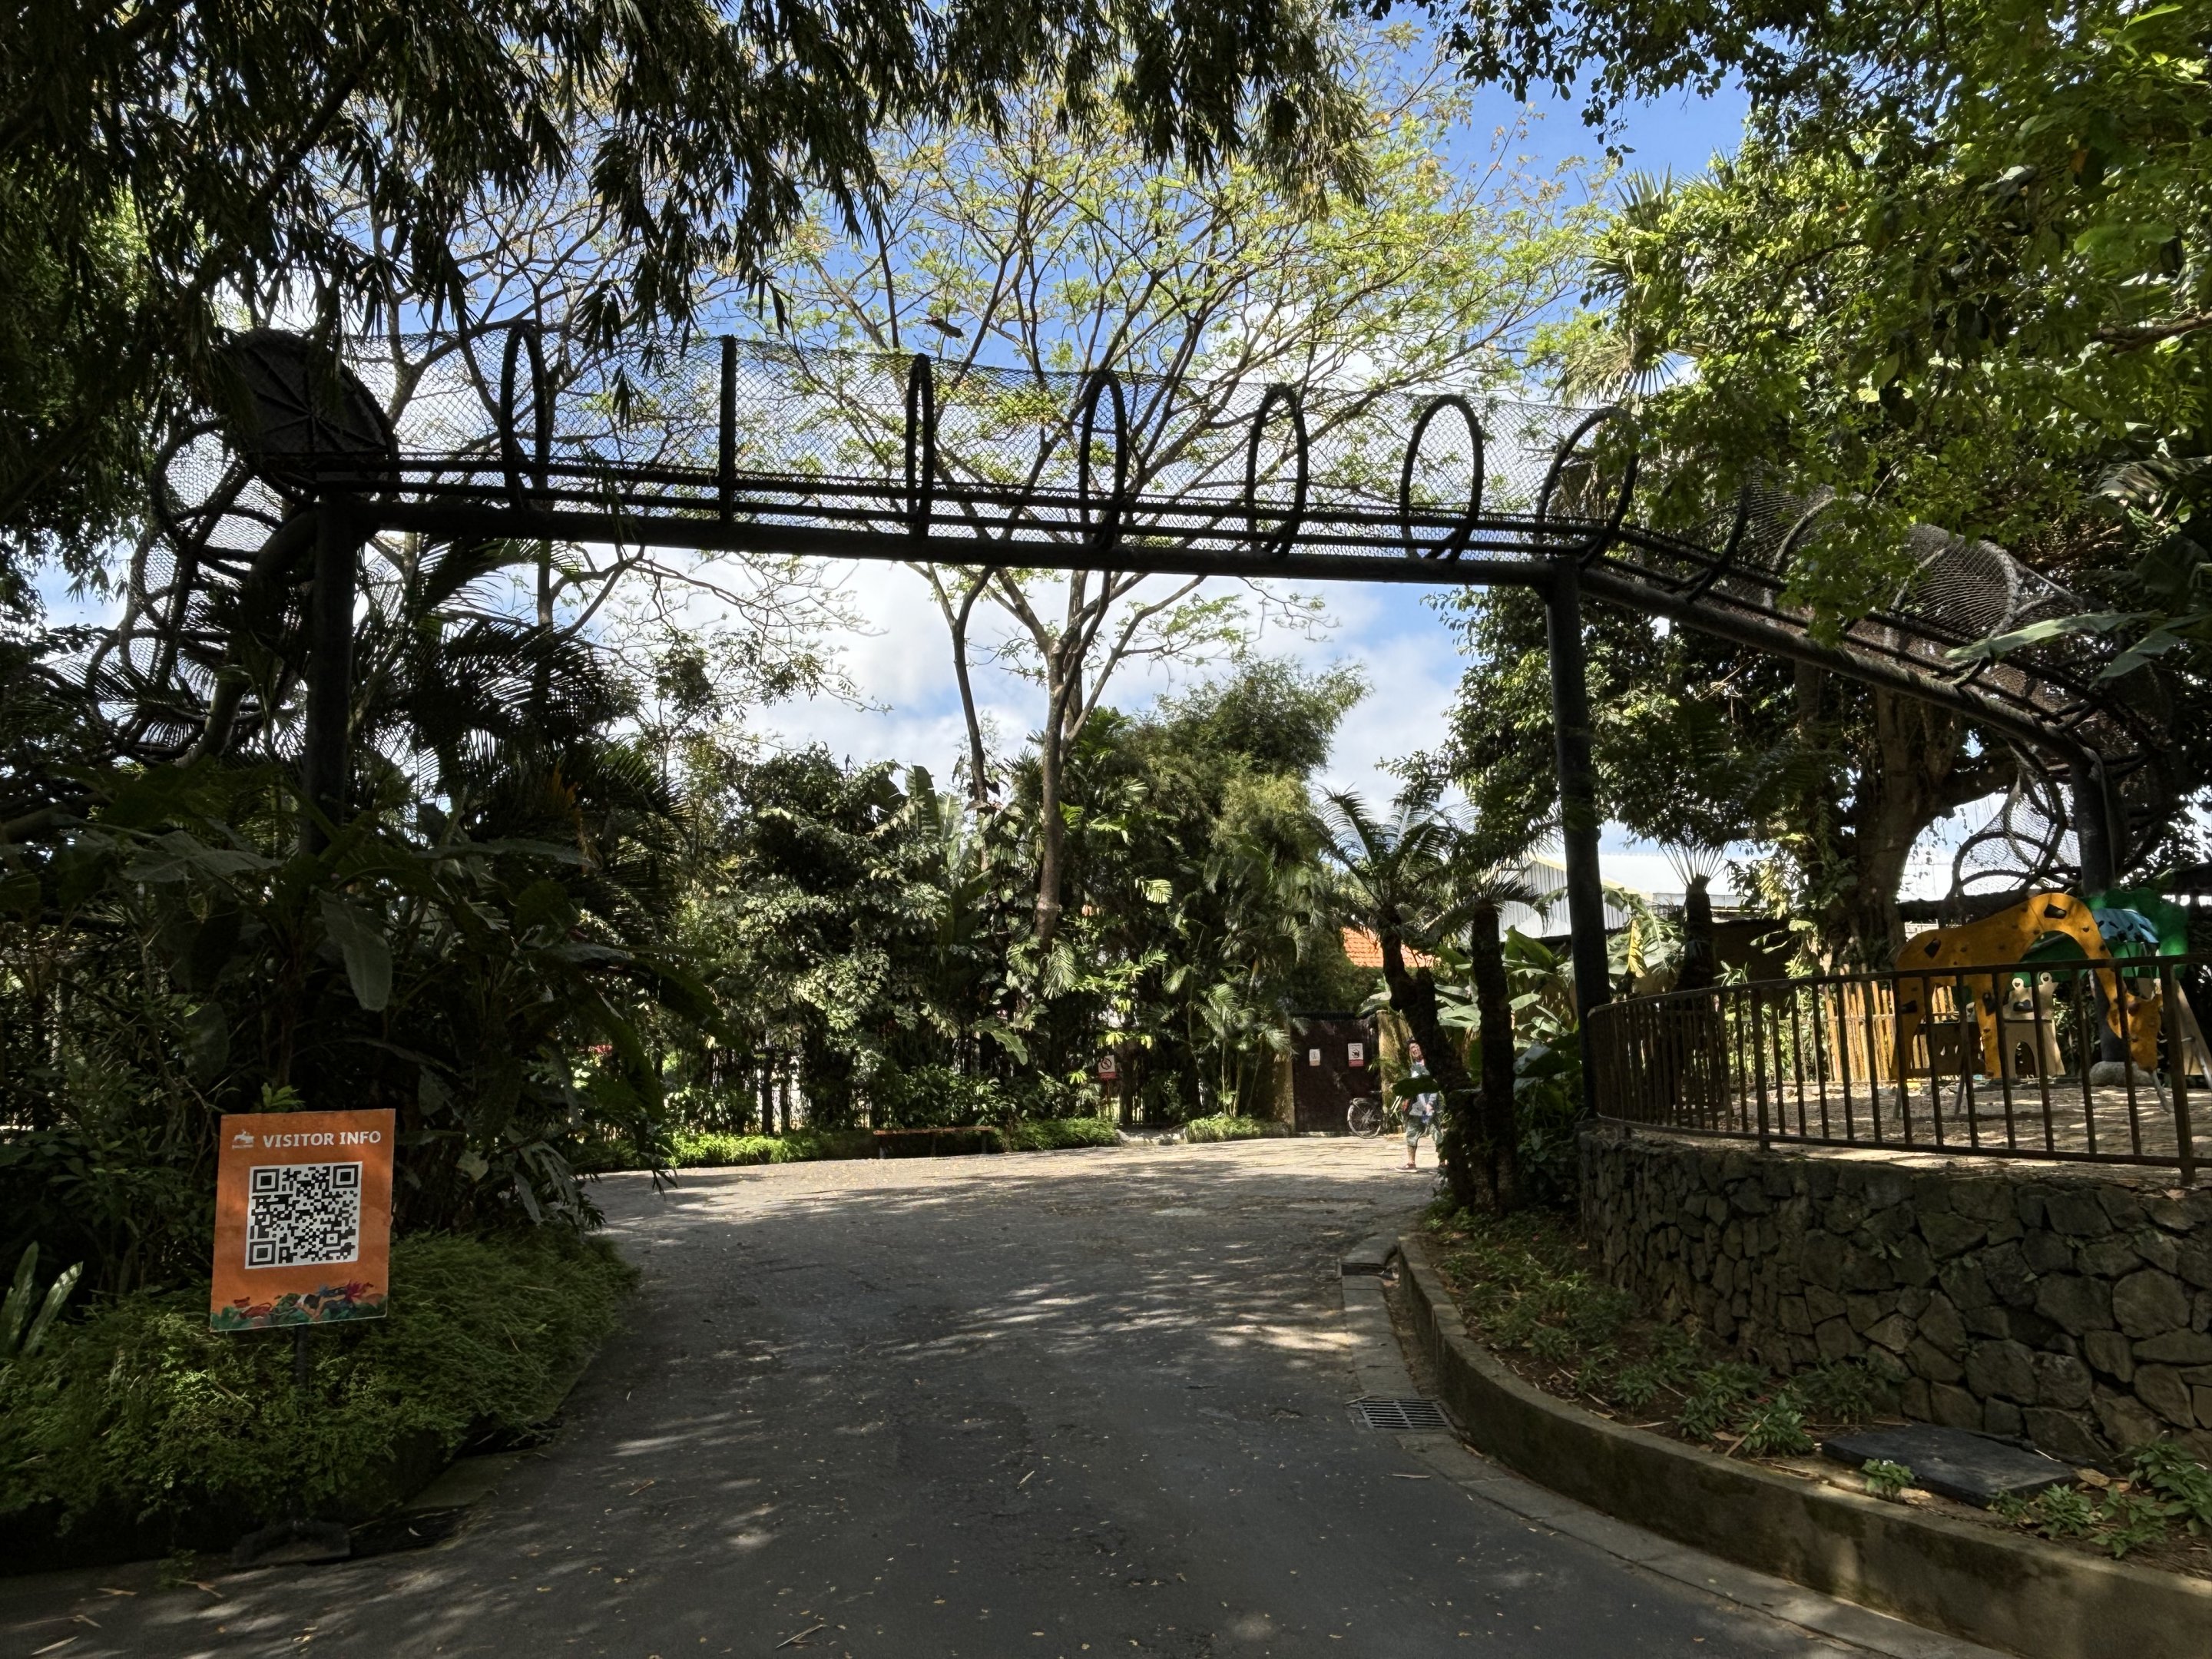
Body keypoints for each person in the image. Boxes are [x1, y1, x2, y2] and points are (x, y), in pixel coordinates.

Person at [1402, 1042, 1440, 1171]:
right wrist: (1407, 1099)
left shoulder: (1430, 1066)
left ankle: (1443, 1162)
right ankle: (1411, 1163)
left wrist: (1431, 1103)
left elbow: (1435, 1086)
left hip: (1429, 1106)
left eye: (1417, 1047)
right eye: (1412, 1048)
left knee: (1435, 1131)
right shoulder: (1414, 1067)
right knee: (1411, 1132)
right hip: (1417, 1107)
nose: (1415, 1050)